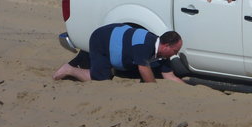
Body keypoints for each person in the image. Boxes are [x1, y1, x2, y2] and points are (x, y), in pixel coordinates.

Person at [53, 24, 185, 83]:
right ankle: (70, 69)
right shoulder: (145, 45)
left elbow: (169, 76)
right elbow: (144, 69)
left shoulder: (163, 54)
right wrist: (154, 89)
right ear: (166, 45)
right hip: (102, 38)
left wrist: (187, 88)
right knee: (100, 80)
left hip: (118, 34)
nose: (174, 55)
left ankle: (85, 58)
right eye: (175, 51)